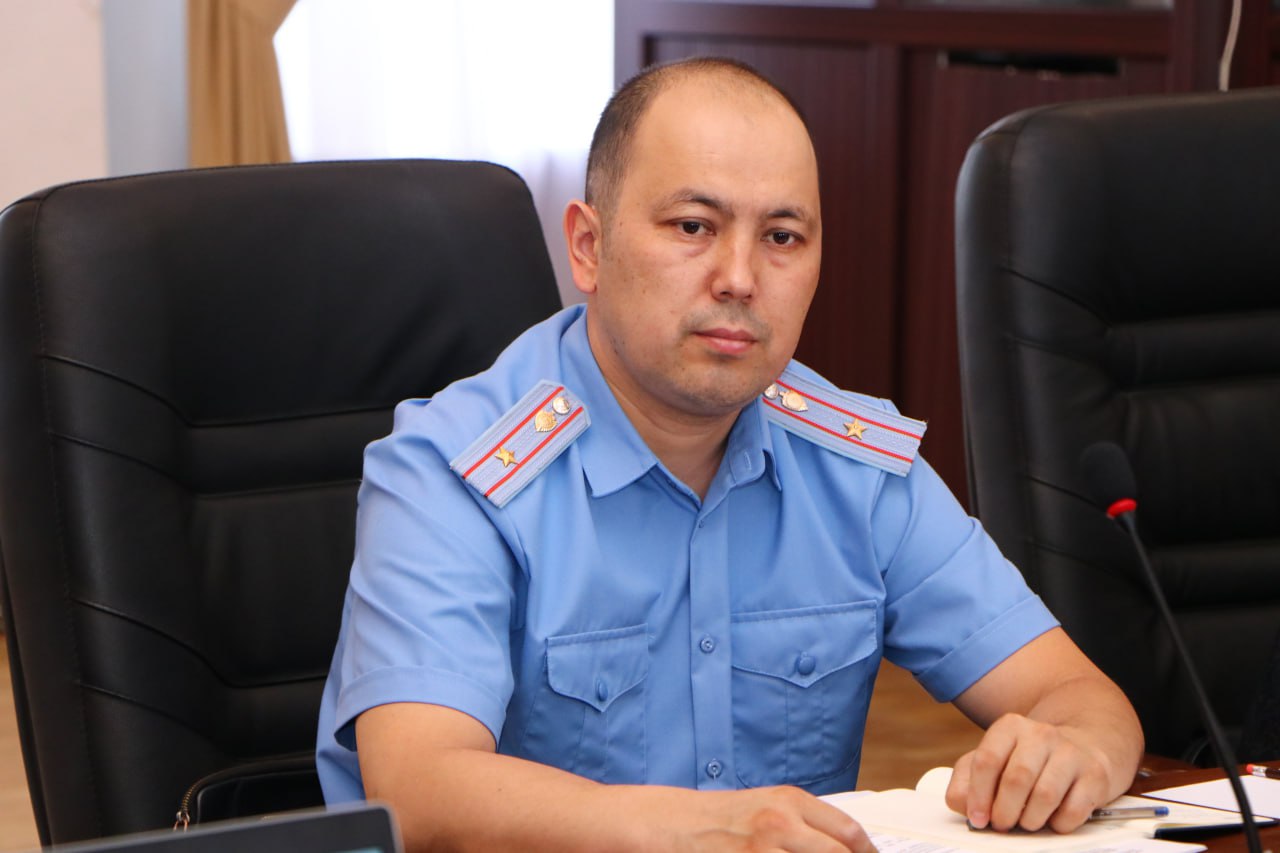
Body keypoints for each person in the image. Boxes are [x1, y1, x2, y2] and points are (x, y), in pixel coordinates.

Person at [315, 57, 1143, 851]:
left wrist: (1075, 750)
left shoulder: (856, 466)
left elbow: (1078, 695)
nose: (740, 277)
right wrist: (691, 833)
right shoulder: (453, 473)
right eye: (693, 226)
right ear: (588, 247)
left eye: (782, 236)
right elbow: (417, 792)